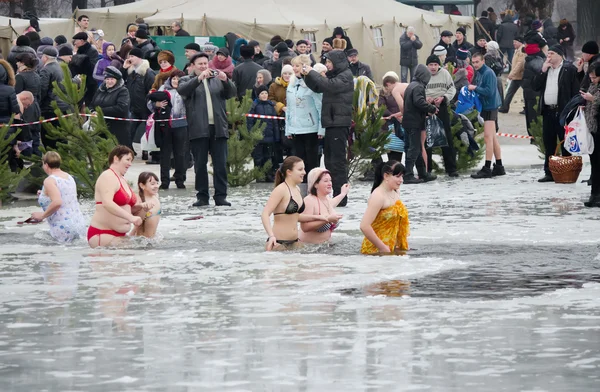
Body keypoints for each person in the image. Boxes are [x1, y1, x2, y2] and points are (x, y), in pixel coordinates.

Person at [178, 52, 236, 207]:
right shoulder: (187, 79)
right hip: (198, 128)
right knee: (200, 164)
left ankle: (221, 196)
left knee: (220, 164)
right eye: (200, 64)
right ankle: (202, 196)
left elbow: (231, 93)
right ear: (193, 66)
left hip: (218, 127)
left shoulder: (216, 79)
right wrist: (198, 79)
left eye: (205, 63)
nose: (204, 67)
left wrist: (226, 81)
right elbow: (182, 91)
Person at [303, 49, 354, 206]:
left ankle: (341, 196)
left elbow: (329, 86)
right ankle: (337, 195)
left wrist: (313, 72)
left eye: (329, 62)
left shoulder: (345, 76)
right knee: (330, 161)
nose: (327, 65)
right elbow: (318, 87)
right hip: (331, 123)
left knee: (337, 162)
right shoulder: (335, 75)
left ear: (337, 62)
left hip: (339, 123)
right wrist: (307, 76)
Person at [261, 156, 332, 251]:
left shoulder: (297, 189)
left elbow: (295, 216)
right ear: (289, 172)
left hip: (295, 242)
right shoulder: (280, 190)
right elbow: (265, 214)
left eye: (304, 169)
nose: (304, 172)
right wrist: (271, 236)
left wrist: (321, 217)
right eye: (300, 169)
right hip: (279, 242)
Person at [532, 45, 580, 183]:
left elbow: (575, 91)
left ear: (560, 55)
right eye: (548, 53)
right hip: (548, 111)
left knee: (564, 142)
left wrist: (572, 110)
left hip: (563, 112)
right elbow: (535, 86)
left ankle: (567, 171)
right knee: (549, 143)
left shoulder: (568, 69)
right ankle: (549, 172)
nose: (549, 56)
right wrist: (542, 70)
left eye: (552, 53)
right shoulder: (545, 70)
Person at [87, 146, 150, 248]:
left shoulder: (122, 179)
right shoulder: (108, 176)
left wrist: (140, 207)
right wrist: (131, 218)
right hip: (103, 234)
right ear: (116, 158)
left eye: (131, 160)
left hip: (119, 235)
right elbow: (107, 203)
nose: (130, 163)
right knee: (141, 250)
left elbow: (126, 208)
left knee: (145, 248)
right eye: (128, 159)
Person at [31, 152, 86, 243]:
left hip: (62, 227)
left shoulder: (50, 180)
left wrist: (42, 216)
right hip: (78, 224)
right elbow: (65, 196)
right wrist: (44, 194)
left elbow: (57, 202)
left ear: (46, 165)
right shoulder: (69, 177)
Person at [147, 69, 188, 189]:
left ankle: (180, 179)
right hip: (165, 126)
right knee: (165, 154)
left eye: (178, 79)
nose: (176, 81)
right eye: (174, 78)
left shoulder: (186, 89)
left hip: (181, 125)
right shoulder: (163, 89)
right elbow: (149, 103)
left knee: (180, 154)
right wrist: (156, 105)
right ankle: (164, 181)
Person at [286, 55, 324, 180]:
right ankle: (300, 185)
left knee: (312, 160)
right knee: (298, 160)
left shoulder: (311, 83)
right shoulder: (291, 85)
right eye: (294, 66)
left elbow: (319, 106)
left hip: (311, 128)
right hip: (296, 128)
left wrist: (321, 129)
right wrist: (288, 128)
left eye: (297, 65)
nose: (295, 68)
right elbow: (289, 109)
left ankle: (313, 183)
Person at [360, 160, 409, 255]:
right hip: (375, 252)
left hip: (392, 247)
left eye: (402, 176)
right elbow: (364, 226)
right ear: (386, 176)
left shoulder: (395, 192)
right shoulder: (378, 196)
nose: (401, 180)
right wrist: (382, 247)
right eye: (397, 176)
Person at [469, 52, 505, 178]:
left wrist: (475, 88)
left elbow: (489, 91)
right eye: (473, 63)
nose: (475, 65)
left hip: (490, 106)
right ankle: (499, 165)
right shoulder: (479, 73)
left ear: (483, 61)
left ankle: (487, 167)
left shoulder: (488, 73)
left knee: (488, 137)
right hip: (486, 106)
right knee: (493, 138)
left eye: (477, 62)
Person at [402, 64, 437, 184]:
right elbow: (419, 102)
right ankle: (408, 174)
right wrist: (431, 108)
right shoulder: (418, 87)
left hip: (408, 121)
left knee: (414, 148)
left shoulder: (411, 86)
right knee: (414, 149)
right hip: (414, 122)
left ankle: (422, 173)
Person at [425, 55, 458, 177]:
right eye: (430, 65)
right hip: (427, 108)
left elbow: (452, 89)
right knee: (427, 139)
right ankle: (427, 169)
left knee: (446, 137)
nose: (433, 67)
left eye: (435, 65)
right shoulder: (424, 74)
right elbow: (418, 89)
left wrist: (444, 98)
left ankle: (451, 168)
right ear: (427, 65)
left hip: (441, 106)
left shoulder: (445, 74)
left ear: (438, 65)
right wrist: (425, 98)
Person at [299, 168, 349, 244]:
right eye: (326, 181)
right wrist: (327, 220)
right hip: (309, 250)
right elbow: (305, 227)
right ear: (315, 184)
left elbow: (332, 203)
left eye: (330, 180)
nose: (330, 183)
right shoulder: (309, 200)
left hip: (325, 247)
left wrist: (343, 194)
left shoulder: (326, 199)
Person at [90, 66, 131, 147]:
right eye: (107, 79)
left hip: (117, 129)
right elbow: (92, 104)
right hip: (101, 127)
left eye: (112, 79)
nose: (109, 81)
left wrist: (100, 111)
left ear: (117, 80)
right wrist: (92, 111)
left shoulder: (122, 91)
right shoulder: (100, 90)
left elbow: (122, 108)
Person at [39, 47, 70, 149]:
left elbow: (42, 89)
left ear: (46, 57)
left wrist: (39, 102)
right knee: (62, 136)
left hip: (50, 107)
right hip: (64, 105)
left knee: (49, 137)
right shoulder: (62, 67)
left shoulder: (46, 70)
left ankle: (52, 161)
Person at [248, 85, 280, 182]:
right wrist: (251, 134)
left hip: (270, 136)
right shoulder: (254, 106)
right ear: (258, 95)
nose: (264, 95)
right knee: (258, 157)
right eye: (262, 93)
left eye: (266, 93)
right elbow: (250, 121)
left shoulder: (271, 105)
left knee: (268, 156)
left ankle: (268, 174)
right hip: (258, 136)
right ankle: (258, 175)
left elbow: (275, 123)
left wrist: (276, 136)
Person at [581, 63, 600, 207]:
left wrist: (593, 99)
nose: (592, 80)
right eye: (591, 77)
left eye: (595, 77)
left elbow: (595, 100)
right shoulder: (593, 86)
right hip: (593, 127)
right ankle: (595, 194)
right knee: (595, 162)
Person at [521, 41, 546, 137]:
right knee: (530, 116)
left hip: (534, 94)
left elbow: (539, 77)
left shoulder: (536, 61)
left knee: (533, 117)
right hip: (529, 93)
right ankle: (533, 135)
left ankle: (535, 136)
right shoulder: (530, 60)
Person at [499, 37, 526, 113]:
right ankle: (504, 107)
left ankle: (526, 108)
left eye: (515, 42)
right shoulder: (517, 50)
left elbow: (520, 64)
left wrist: (511, 73)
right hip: (516, 76)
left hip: (521, 75)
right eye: (513, 42)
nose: (514, 43)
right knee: (510, 92)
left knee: (525, 92)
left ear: (520, 42)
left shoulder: (522, 50)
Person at [133, 172, 161, 237]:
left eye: (157, 183)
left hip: (153, 239)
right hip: (143, 242)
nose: (156, 186)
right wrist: (144, 209)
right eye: (152, 184)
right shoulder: (138, 200)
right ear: (142, 185)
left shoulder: (156, 196)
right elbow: (136, 221)